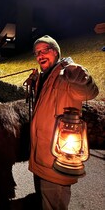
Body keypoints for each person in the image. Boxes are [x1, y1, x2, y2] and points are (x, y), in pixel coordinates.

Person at [28, 35, 99, 210]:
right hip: (40, 156)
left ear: (57, 52)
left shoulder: (66, 73)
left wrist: (81, 77)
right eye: (37, 52)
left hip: (57, 161)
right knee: (43, 201)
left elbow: (89, 92)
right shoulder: (46, 76)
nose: (40, 55)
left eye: (46, 50)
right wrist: (36, 81)